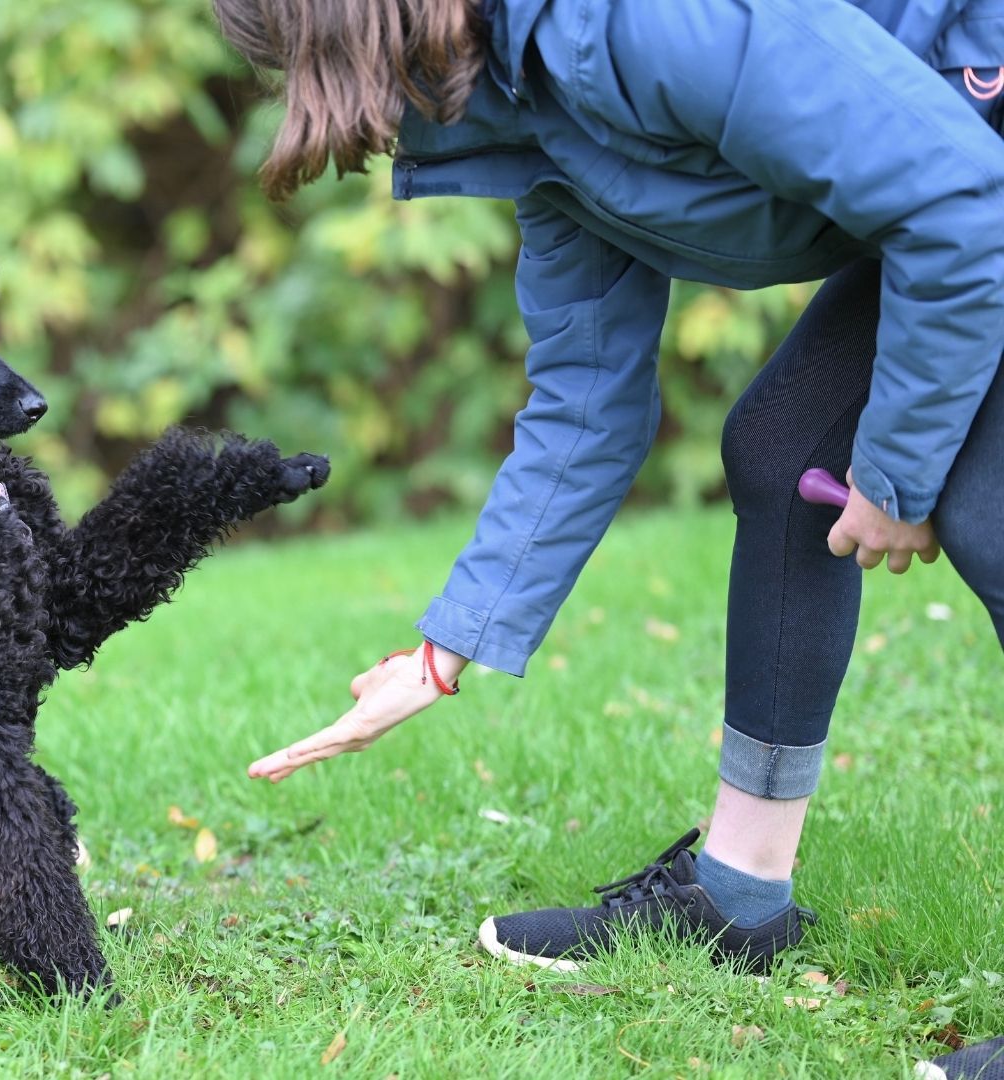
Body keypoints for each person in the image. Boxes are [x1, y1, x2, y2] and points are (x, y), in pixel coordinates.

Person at [212, 1, 1004, 1076]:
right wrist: (440, 654)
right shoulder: (527, 108)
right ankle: (739, 903)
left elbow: (961, 203)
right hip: (961, 187)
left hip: (978, 161)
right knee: (784, 458)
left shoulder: (633, 24)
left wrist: (902, 475)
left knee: (988, 517)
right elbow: (586, 402)